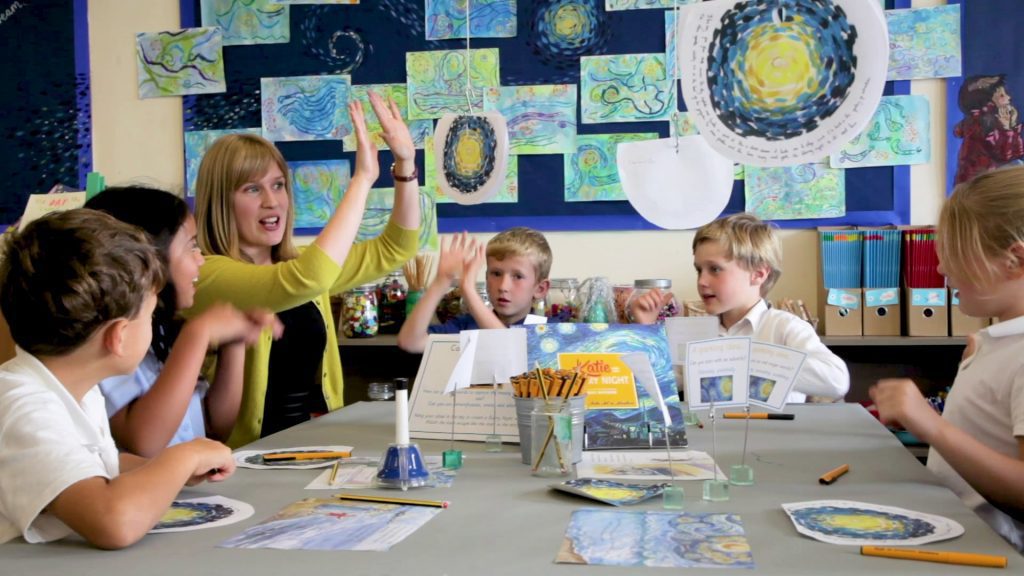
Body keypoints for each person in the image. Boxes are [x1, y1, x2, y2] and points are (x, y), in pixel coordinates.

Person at [191, 92, 420, 446]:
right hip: (245, 462)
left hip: (310, 452)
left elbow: (396, 247)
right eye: (252, 189)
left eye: (278, 185)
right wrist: (361, 180)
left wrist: (405, 165)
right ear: (221, 201)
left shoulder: (297, 264)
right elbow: (305, 280)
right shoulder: (207, 274)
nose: (272, 201)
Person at [0, 210, 235, 549]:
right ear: (118, 336)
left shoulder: (75, 391)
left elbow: (98, 466)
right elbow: (113, 522)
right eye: (151, 315)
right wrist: (180, 458)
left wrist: (166, 472)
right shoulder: (24, 406)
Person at [871, 165, 1024, 552]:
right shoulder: (997, 342)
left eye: (956, 256)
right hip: (953, 532)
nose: (941, 270)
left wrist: (928, 424)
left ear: (1015, 259)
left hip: (989, 551)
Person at [86, 186, 281, 457]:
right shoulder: (103, 343)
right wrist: (198, 333)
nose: (201, 259)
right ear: (151, 260)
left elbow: (215, 427)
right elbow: (145, 441)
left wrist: (234, 342)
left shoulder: (162, 333)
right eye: (191, 246)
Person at [630, 213, 848, 402]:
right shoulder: (693, 333)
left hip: (773, 444)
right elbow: (656, 387)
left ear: (758, 274)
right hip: (709, 444)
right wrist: (646, 331)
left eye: (715, 269)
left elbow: (836, 381)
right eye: (699, 270)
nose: (702, 281)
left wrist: (742, 357)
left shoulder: (784, 327)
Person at [398, 227, 551, 353]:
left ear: (540, 288)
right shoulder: (466, 325)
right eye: (496, 273)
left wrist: (468, 289)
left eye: (517, 276)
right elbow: (411, 342)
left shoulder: (550, 332)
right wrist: (441, 281)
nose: (503, 286)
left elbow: (510, 350)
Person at [954, 75, 1024, 186]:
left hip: (984, 180)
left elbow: (1019, 153)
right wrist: (1007, 129)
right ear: (989, 100)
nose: (1008, 97)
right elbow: (1005, 155)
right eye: (1002, 95)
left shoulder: (993, 119)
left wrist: (1012, 126)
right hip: (977, 183)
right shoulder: (984, 122)